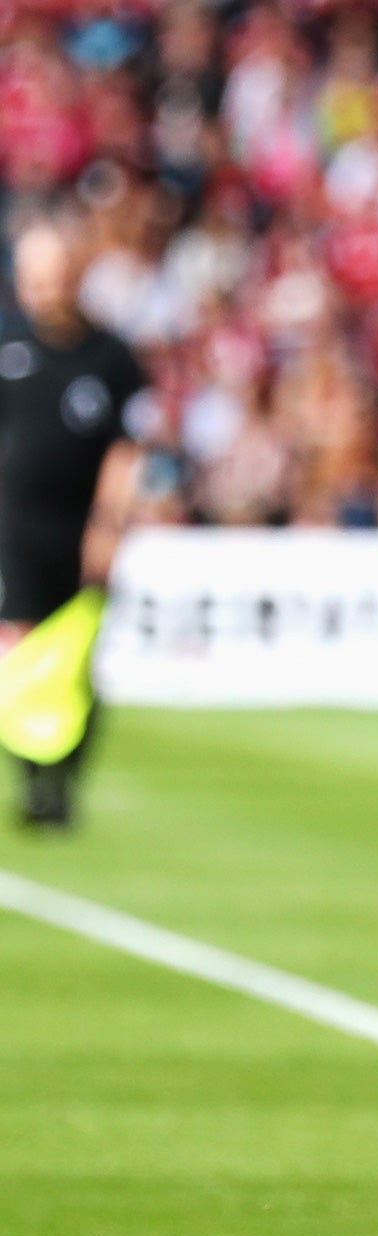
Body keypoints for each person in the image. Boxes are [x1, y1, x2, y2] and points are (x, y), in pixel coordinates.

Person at [0, 218, 146, 829]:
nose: (43, 289)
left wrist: (109, 527)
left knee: (78, 661)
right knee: (19, 658)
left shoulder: (110, 357)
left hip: (80, 531)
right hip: (14, 530)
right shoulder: (7, 347)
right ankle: (34, 782)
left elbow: (126, 449)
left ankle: (65, 783)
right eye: (33, 277)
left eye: (54, 276)